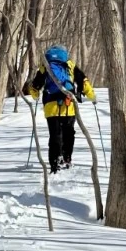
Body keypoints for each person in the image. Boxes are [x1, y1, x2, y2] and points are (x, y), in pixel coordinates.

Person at [24, 45, 96, 173]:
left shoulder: (45, 67)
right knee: (69, 133)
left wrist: (35, 95)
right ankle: (67, 159)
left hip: (51, 107)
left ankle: (55, 163)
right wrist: (92, 96)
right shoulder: (70, 65)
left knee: (55, 135)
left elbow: (35, 87)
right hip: (69, 106)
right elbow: (83, 82)